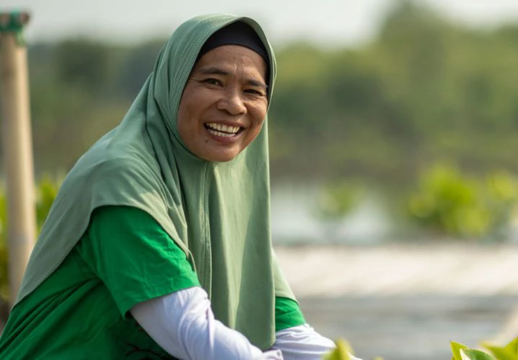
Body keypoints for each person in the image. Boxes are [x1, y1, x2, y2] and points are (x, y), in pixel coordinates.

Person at [0, 14, 354, 359]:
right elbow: (188, 329)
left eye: (252, 91)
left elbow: (287, 332)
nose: (234, 104)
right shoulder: (120, 180)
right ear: (173, 83)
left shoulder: (232, 188)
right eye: (213, 82)